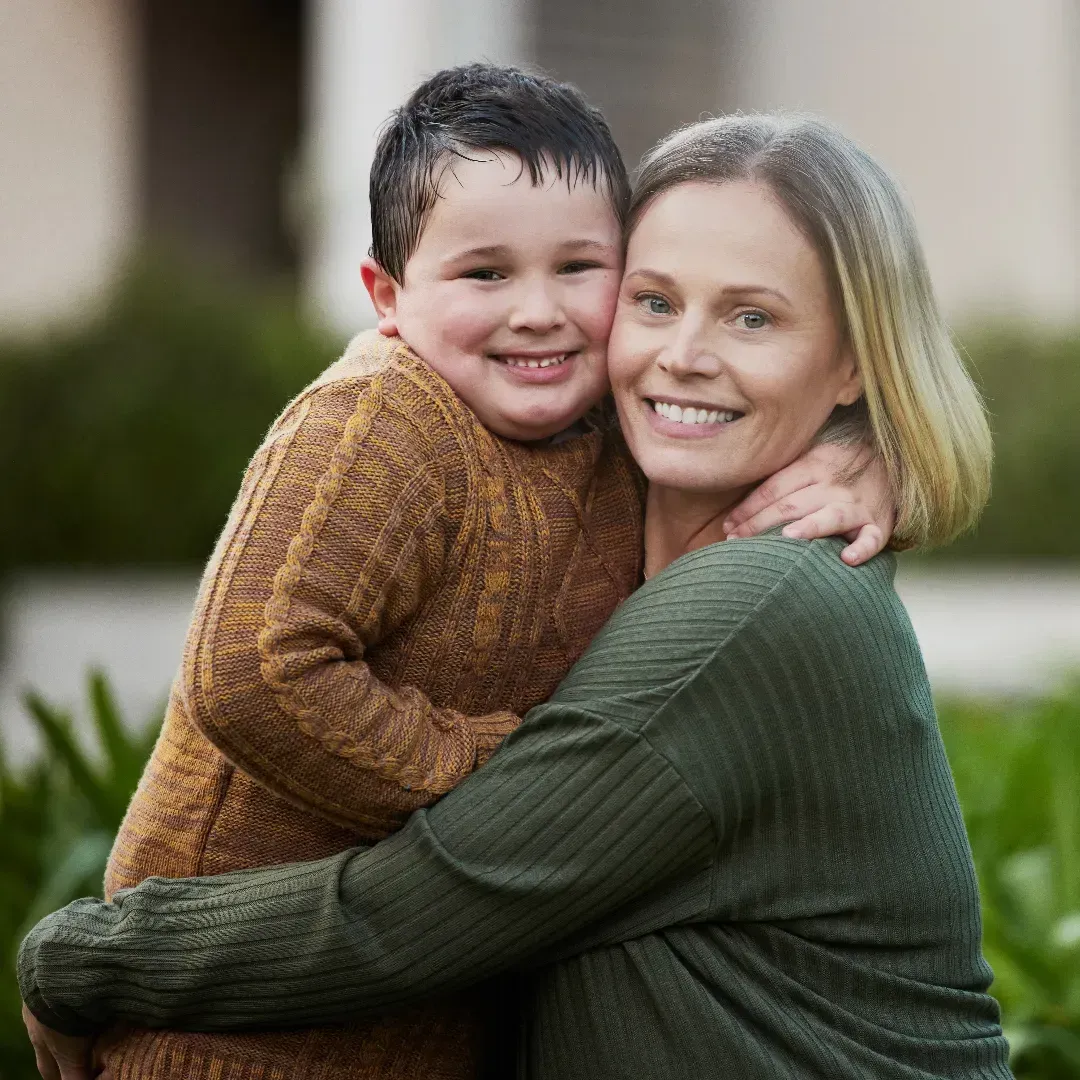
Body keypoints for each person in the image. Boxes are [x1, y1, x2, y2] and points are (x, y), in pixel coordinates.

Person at [19, 111, 991, 1080]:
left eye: (753, 317)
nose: (685, 353)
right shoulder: (592, 492)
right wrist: (875, 454)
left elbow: (412, 914)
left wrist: (83, 959)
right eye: (653, 301)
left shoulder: (757, 607)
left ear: (857, 360)